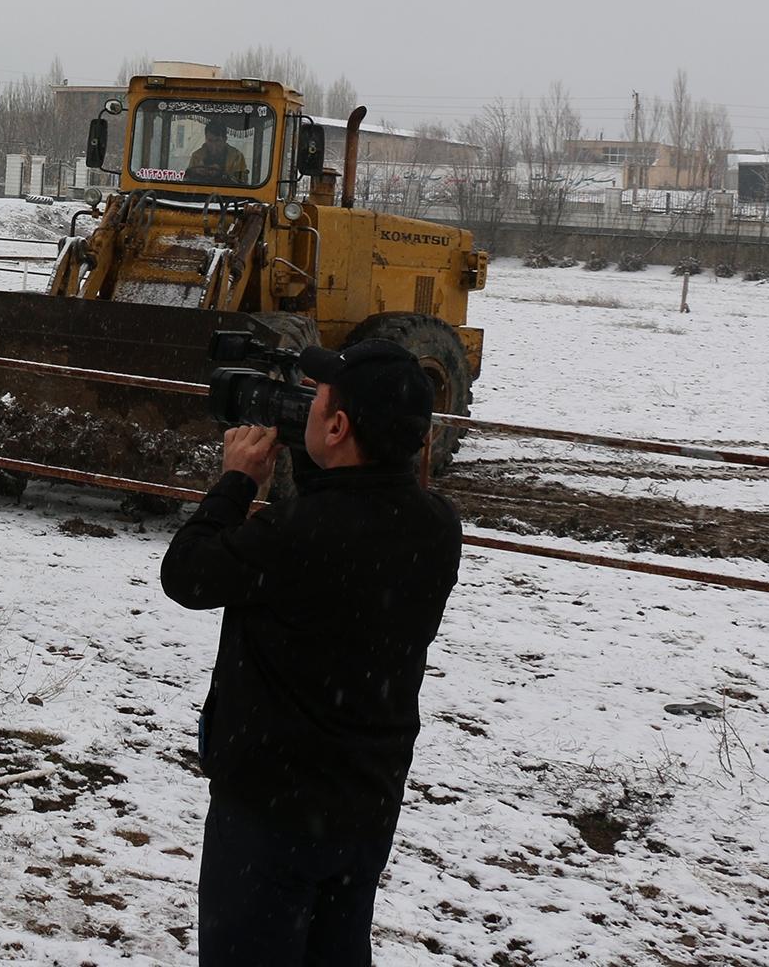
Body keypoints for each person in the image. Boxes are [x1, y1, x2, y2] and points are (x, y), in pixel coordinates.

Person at [160, 339, 463, 965]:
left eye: (314, 400)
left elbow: (186, 574)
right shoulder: (437, 525)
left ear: (339, 426)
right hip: (366, 799)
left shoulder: (293, 534)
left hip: (271, 808)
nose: (301, 406)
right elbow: (353, 518)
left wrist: (236, 483)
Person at [187, 119, 250, 186]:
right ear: (205, 139)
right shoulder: (196, 156)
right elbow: (187, 180)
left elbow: (242, 183)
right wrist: (196, 172)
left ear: (225, 139)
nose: (213, 145)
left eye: (217, 140)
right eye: (210, 140)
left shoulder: (237, 157)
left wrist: (221, 174)